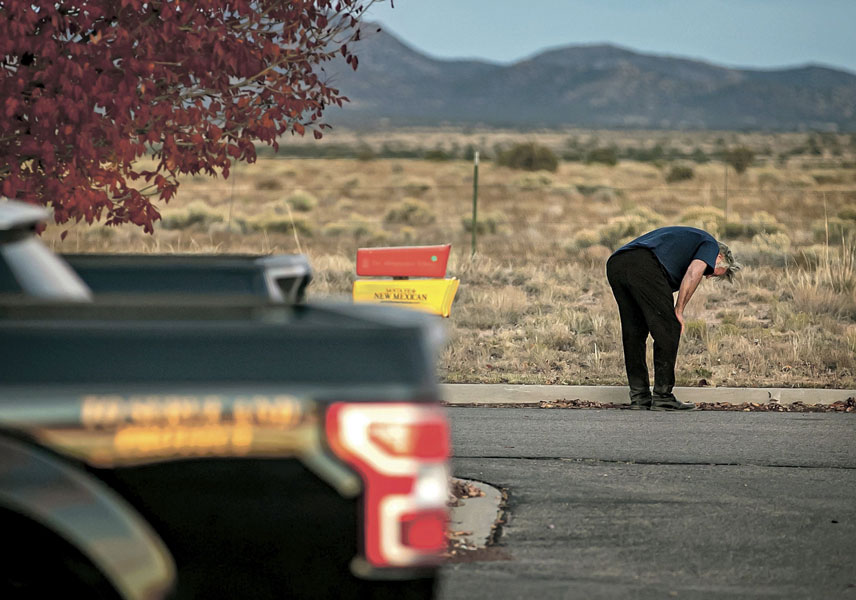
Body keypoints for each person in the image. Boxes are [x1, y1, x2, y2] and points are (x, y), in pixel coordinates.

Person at [606, 226, 741, 411]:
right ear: (719, 257)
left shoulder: (687, 244)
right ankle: (663, 397)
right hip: (643, 264)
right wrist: (679, 310)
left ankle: (639, 397)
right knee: (669, 328)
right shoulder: (710, 244)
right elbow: (693, 273)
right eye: (712, 271)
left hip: (617, 264)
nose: (708, 276)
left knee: (634, 332)